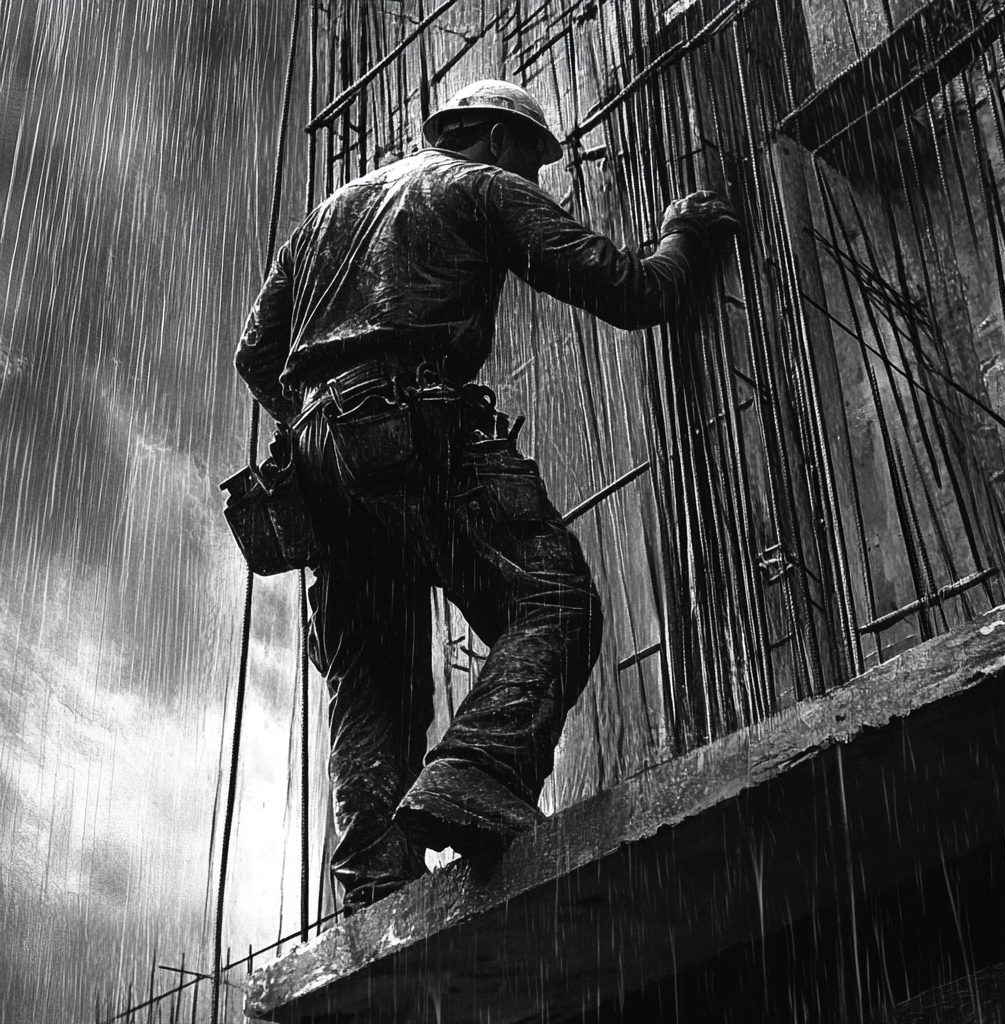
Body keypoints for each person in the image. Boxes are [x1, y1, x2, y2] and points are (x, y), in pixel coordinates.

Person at [235, 79, 739, 914]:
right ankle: (480, 768)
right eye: (533, 164)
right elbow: (626, 290)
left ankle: (374, 884)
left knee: (375, 681)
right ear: (500, 141)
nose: (534, 182)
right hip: (414, 425)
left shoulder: (325, 215)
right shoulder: (481, 187)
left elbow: (257, 357)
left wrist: (334, 425)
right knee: (555, 601)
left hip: (316, 467)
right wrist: (684, 238)